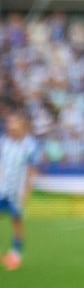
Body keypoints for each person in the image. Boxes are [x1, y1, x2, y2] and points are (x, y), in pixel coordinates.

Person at [0, 113, 37, 271]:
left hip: (17, 191)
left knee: (17, 222)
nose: (10, 126)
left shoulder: (29, 145)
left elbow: (31, 171)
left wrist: (27, 193)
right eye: (9, 123)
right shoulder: (3, 142)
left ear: (21, 126)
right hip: (2, 189)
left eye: (13, 123)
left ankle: (15, 256)